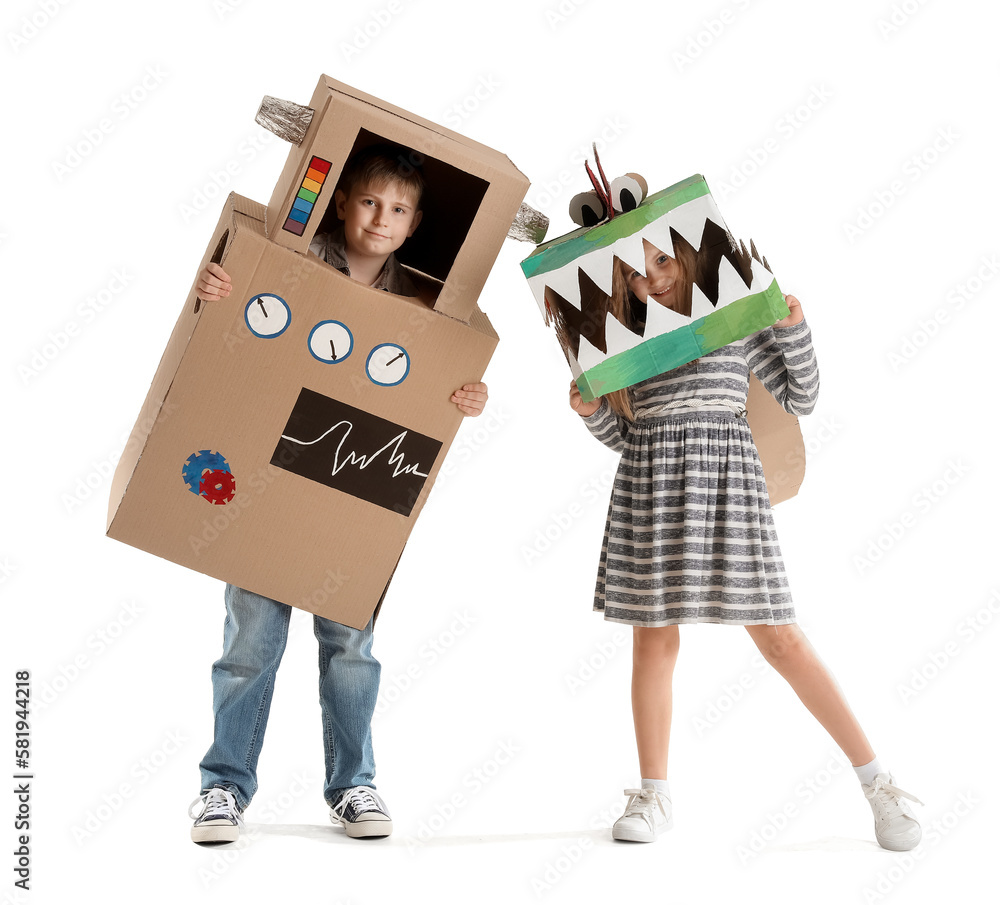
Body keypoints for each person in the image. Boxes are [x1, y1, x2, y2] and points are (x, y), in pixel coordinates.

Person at [569, 238, 923, 849]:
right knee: (652, 642)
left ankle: (879, 785)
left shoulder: (729, 314)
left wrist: (793, 328)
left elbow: (802, 397)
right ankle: (654, 793)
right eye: (633, 272)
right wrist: (589, 412)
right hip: (651, 489)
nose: (651, 279)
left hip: (729, 486)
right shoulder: (625, 337)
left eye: (661, 261)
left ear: (687, 253)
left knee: (781, 637)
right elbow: (628, 439)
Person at [187, 144, 488, 843]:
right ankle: (222, 786)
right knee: (249, 643)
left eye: (399, 209)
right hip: (267, 477)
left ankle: (354, 783)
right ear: (344, 201)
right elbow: (229, 342)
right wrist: (215, 298)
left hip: (351, 486)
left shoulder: (422, 305)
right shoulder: (289, 262)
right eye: (369, 202)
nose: (382, 219)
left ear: (414, 226)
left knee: (352, 643)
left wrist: (463, 394)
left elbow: (430, 385)